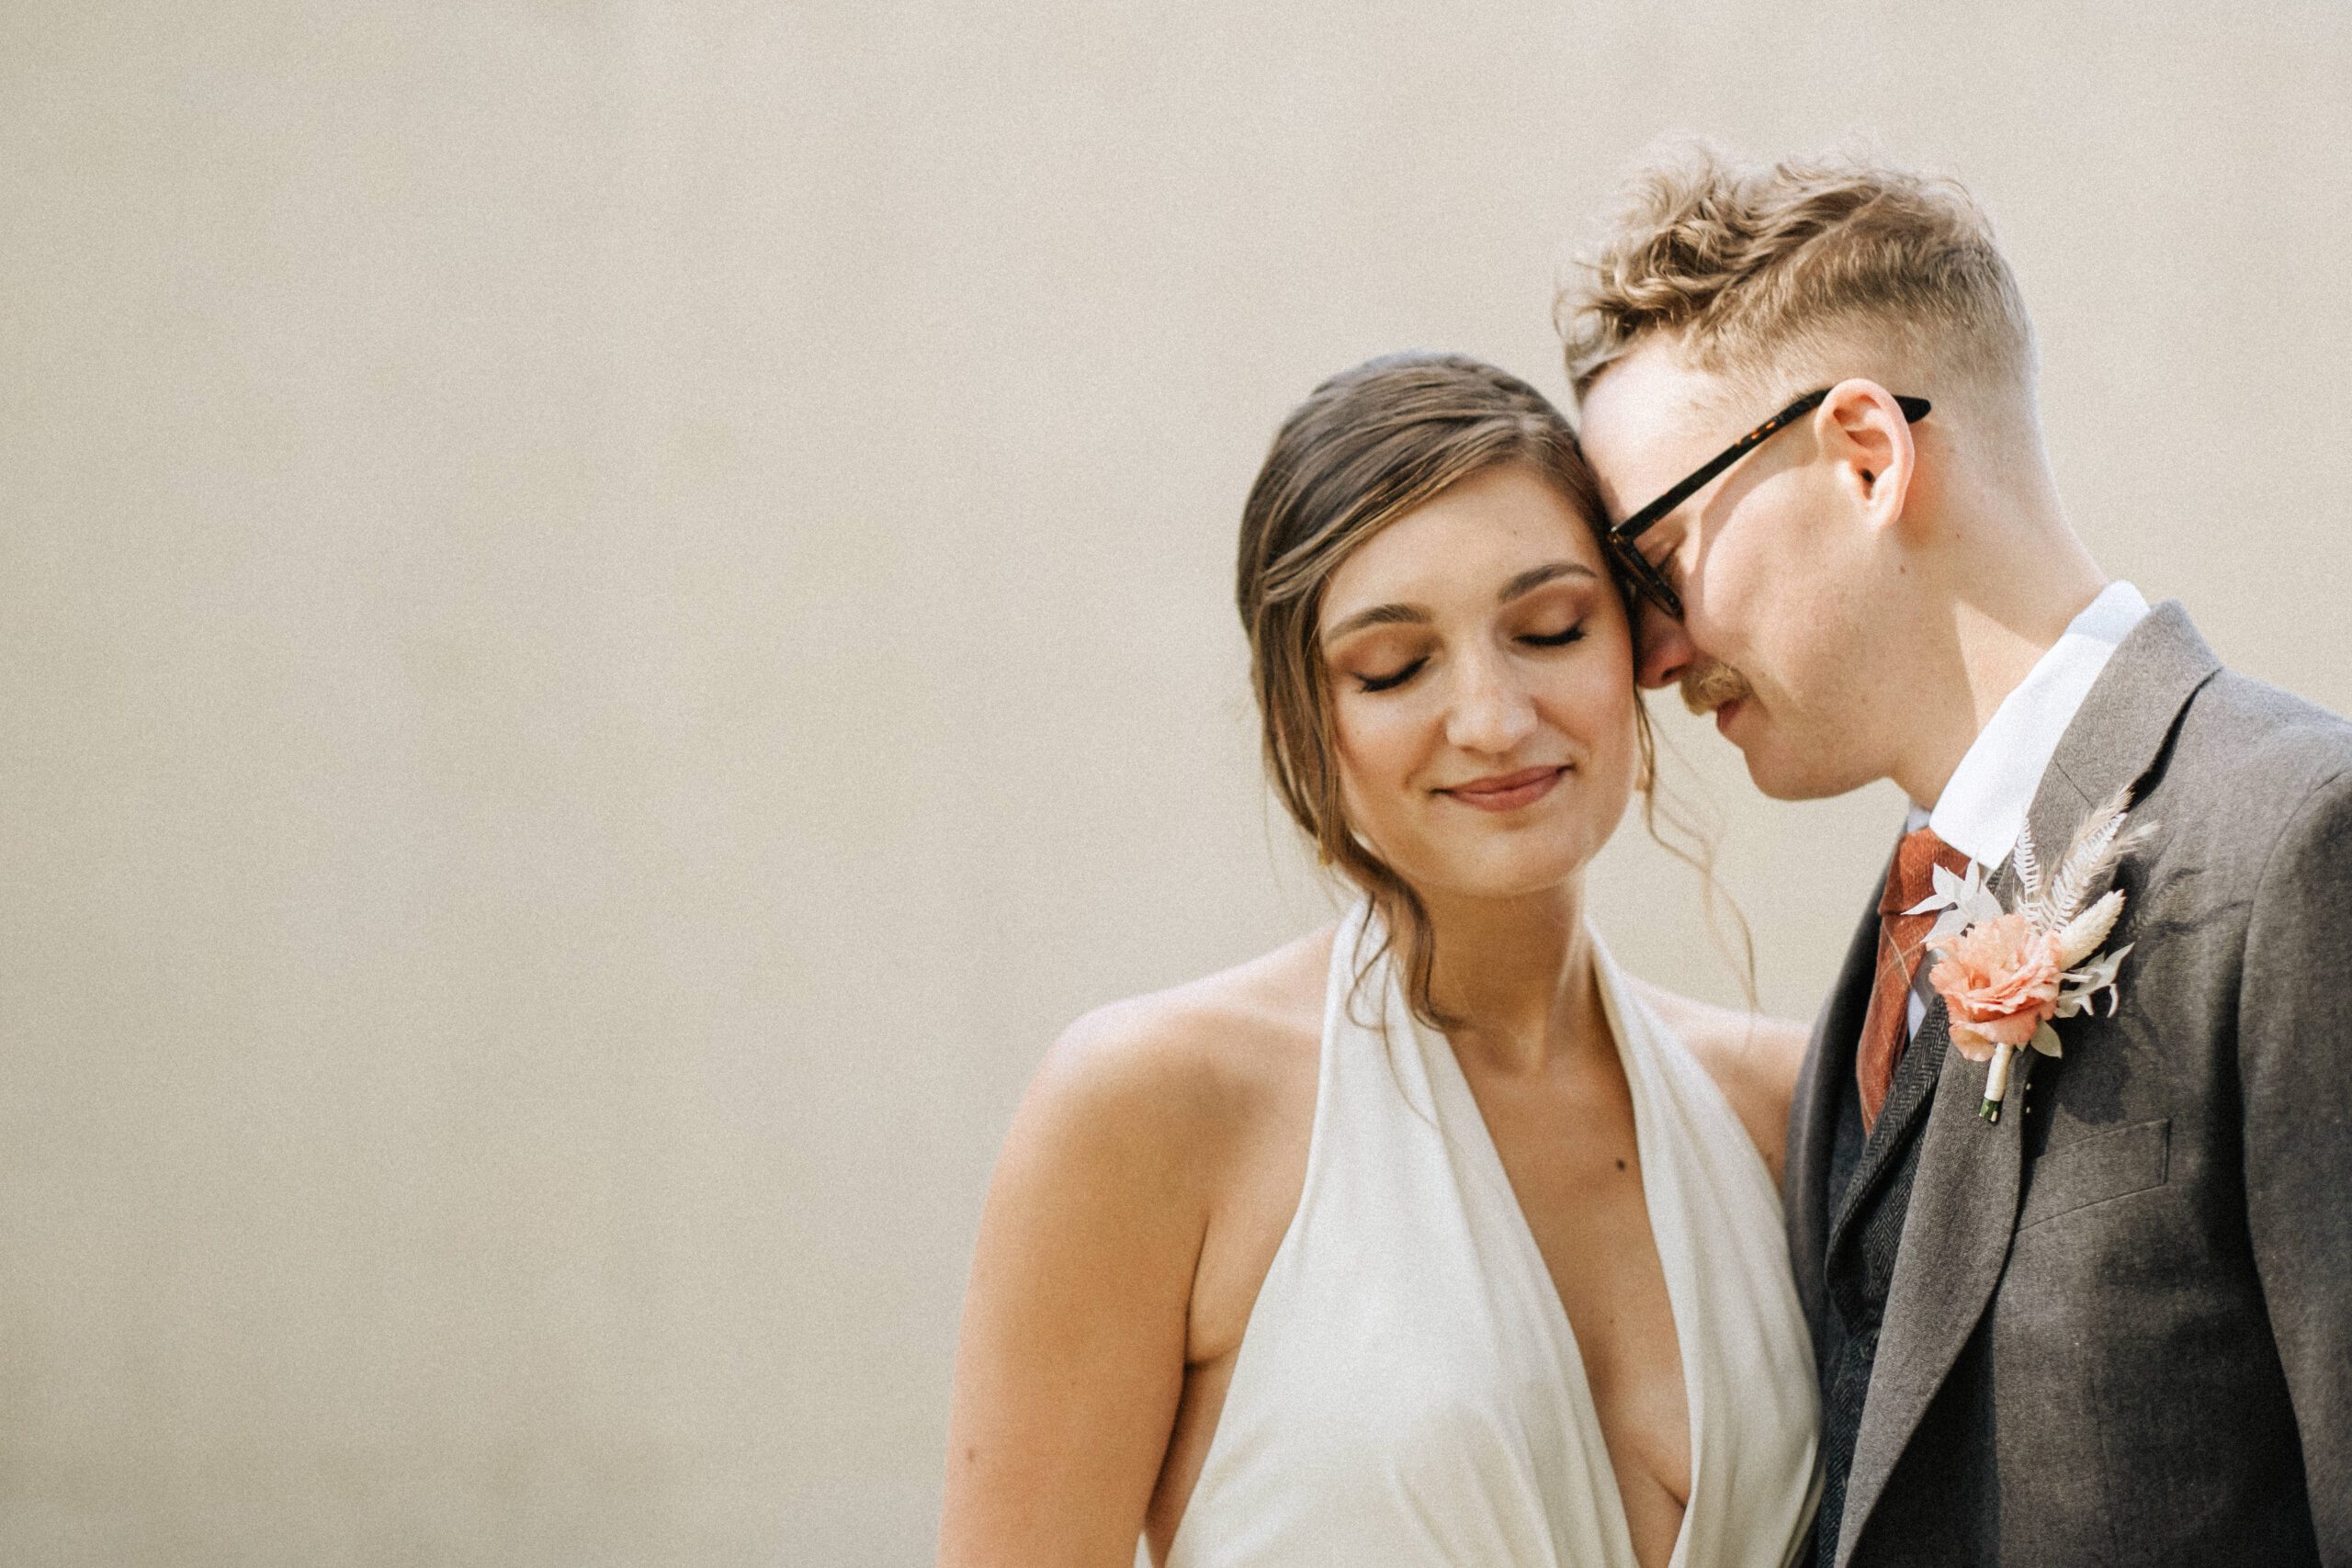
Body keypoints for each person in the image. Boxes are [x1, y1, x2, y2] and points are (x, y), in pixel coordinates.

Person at [1559, 152, 2352, 1568]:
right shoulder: (1885, 963)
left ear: (1865, 452)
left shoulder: (2303, 844)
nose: (1657, 652)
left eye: (1655, 558)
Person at [938, 352, 1822, 1568]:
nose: (1494, 719)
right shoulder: (1153, 1108)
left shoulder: (1786, 1109)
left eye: (1550, 628)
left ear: (1637, 642)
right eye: (1394, 666)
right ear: (1310, 717)